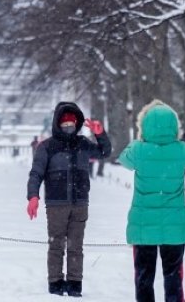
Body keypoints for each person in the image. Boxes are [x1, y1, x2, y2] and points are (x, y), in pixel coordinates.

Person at [26, 102, 111, 297]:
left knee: (76, 246)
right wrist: (33, 196)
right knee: (56, 245)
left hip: (80, 203)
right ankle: (55, 283)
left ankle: (74, 284)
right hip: (56, 204)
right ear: (57, 123)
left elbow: (104, 152)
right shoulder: (46, 147)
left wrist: (100, 134)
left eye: (71, 123)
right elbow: (36, 173)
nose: (68, 127)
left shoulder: (83, 144)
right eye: (64, 124)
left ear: (77, 123)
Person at [118, 100, 185, 302]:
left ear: (144, 126)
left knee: (144, 277)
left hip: (144, 224)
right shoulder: (182, 150)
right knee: (174, 278)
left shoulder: (139, 151)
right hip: (174, 224)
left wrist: (139, 139)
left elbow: (123, 159)